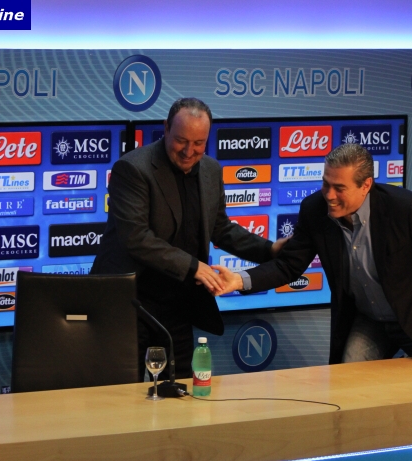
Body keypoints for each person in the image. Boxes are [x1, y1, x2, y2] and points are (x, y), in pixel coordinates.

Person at [213, 143, 412, 364]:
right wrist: (238, 280)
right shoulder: (314, 210)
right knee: (349, 380)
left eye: (339, 188)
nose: (329, 195)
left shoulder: (408, 210)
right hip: (369, 319)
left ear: (366, 185)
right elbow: (288, 266)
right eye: (325, 184)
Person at [91, 97, 281, 379]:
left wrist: (270, 249)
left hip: (178, 304)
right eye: (181, 141)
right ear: (166, 128)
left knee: (178, 389)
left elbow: (221, 228)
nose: (189, 151)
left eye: (199, 143)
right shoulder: (132, 169)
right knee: (121, 394)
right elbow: (136, 237)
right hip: (129, 304)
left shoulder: (211, 170)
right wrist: (194, 267)